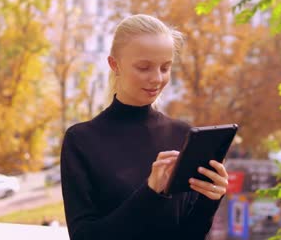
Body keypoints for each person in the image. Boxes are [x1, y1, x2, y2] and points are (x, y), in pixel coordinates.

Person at [60, 14, 229, 240]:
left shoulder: (182, 134)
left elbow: (189, 234)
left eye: (165, 67)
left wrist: (210, 199)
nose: (156, 79)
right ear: (114, 65)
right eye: (144, 67)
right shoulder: (81, 140)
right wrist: (150, 192)